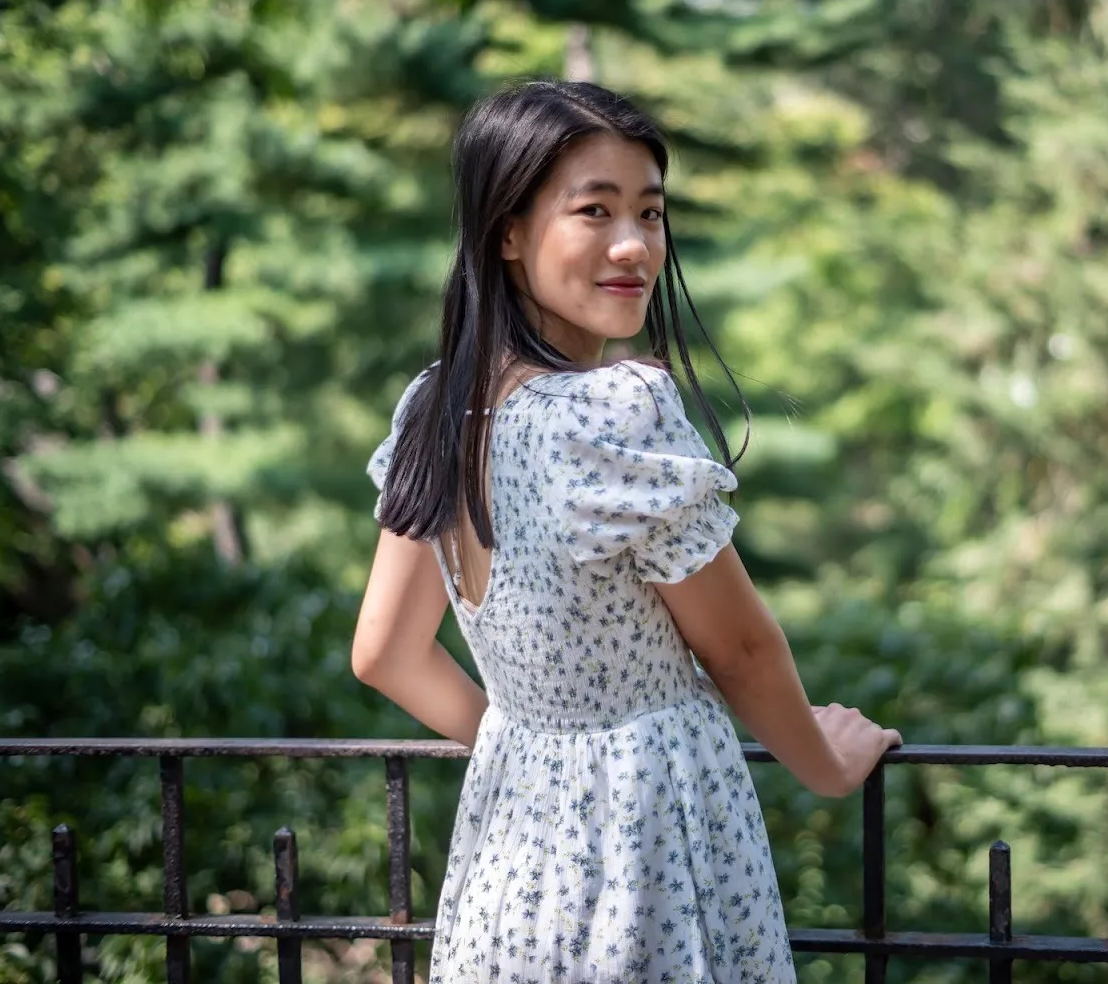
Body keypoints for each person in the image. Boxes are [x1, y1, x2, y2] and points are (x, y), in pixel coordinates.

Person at [352, 79, 902, 983]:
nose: (633, 246)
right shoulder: (613, 412)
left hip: (510, 868)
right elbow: (740, 653)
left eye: (650, 212)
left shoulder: (435, 406)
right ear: (509, 230)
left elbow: (384, 653)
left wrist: (542, 748)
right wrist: (826, 764)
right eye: (594, 210)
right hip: (649, 858)